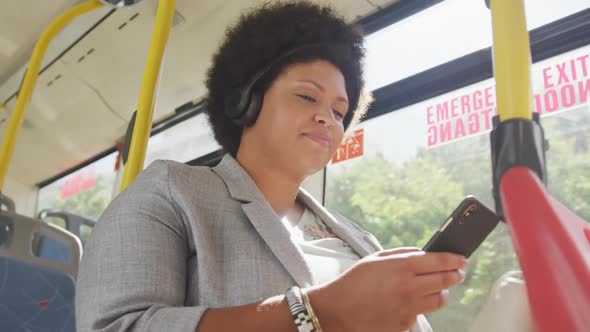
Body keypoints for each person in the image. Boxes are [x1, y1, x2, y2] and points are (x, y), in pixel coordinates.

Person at [75, 2, 466, 331]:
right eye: (306, 97)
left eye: (339, 111)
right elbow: (117, 326)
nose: (328, 119)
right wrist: (319, 312)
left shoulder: (358, 238)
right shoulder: (172, 192)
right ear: (246, 102)